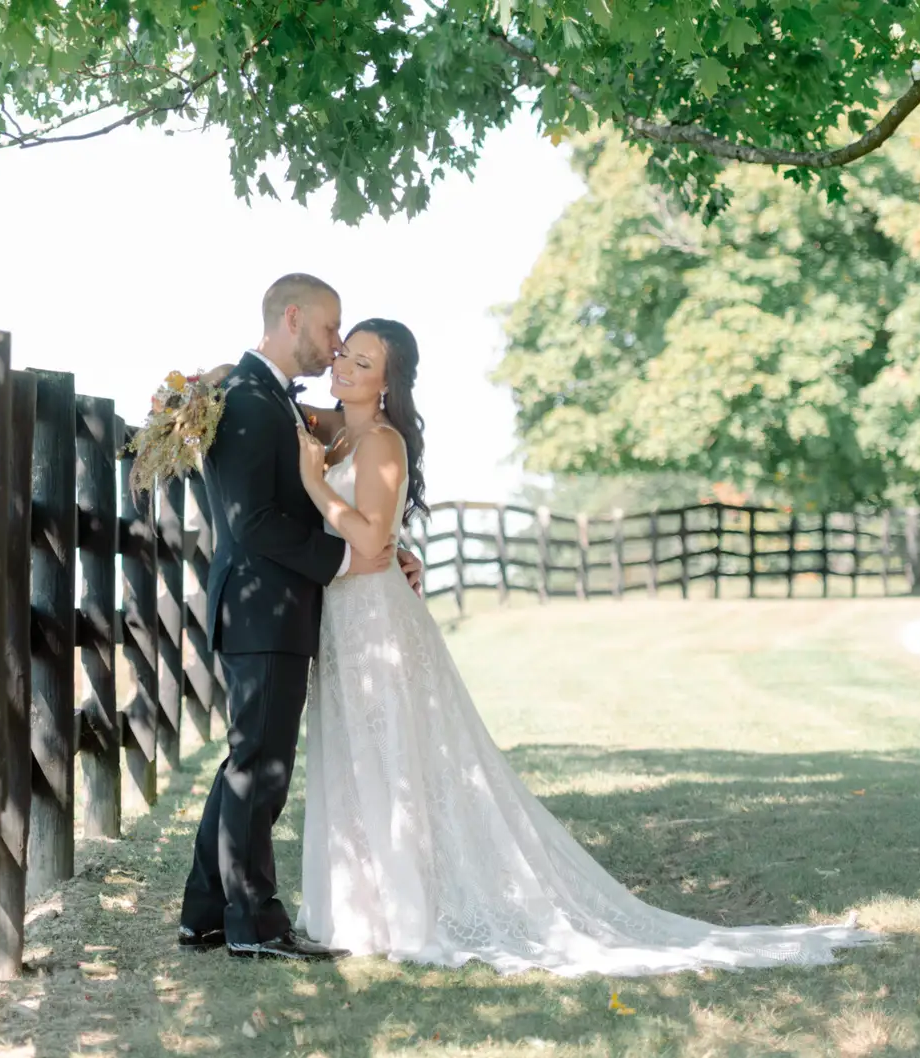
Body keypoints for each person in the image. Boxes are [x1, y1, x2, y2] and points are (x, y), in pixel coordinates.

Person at [288, 317, 883, 975]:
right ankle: (360, 911)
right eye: (344, 352)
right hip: (343, 622)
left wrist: (316, 484)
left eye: (363, 362)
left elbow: (370, 541)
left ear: (387, 381)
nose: (344, 365)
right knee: (354, 755)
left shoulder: (381, 441)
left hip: (378, 619)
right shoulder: (333, 429)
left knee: (398, 760)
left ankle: (405, 914)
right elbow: (277, 404)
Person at [175, 274, 423, 962]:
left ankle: (204, 913)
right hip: (265, 607)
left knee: (247, 763)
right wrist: (347, 561)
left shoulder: (271, 400)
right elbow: (251, 522)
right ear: (293, 318)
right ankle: (254, 922)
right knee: (261, 770)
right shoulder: (251, 401)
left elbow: (363, 475)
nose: (335, 344)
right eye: (328, 329)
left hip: (279, 608)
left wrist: (387, 548)